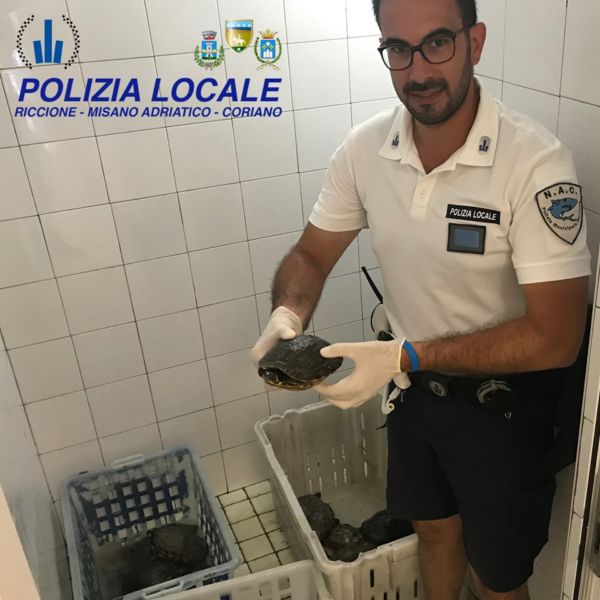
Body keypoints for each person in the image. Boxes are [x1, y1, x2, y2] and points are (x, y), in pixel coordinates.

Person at [250, 0, 591, 597]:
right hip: (412, 394)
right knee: (432, 532)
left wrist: (406, 355)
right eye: (398, 49)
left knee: (497, 576)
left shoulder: (534, 163)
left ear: (474, 42)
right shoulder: (365, 150)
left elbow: (557, 337)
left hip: (503, 409)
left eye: (437, 43)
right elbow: (310, 254)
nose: (418, 70)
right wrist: (288, 312)